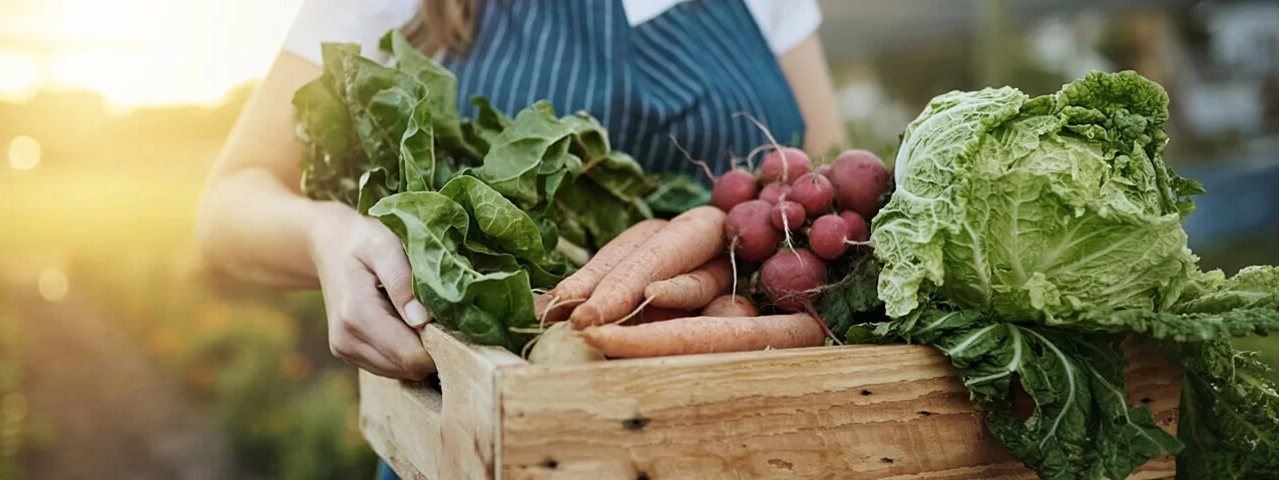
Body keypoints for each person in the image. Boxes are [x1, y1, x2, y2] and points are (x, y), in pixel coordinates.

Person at [196, 0, 846, 476]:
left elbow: (826, 181)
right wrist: (326, 234)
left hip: (753, 440)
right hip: (488, 443)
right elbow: (225, 208)